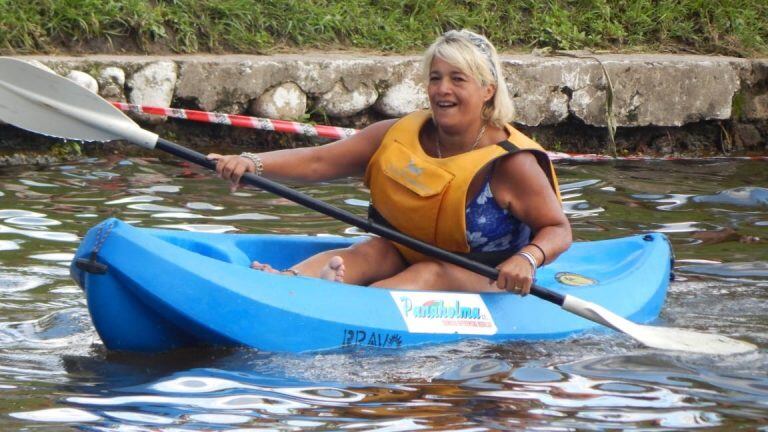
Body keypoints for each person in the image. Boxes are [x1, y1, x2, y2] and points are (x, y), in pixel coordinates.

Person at [208, 29, 572, 296]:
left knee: (431, 272)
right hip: (405, 254)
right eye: (435, 78)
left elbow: (558, 229)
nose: (442, 89)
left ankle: (345, 302)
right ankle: (290, 284)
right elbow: (319, 161)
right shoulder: (396, 134)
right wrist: (251, 163)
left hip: (483, 276)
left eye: (457, 79)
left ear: (487, 90)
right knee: (373, 250)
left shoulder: (511, 164)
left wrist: (528, 259)